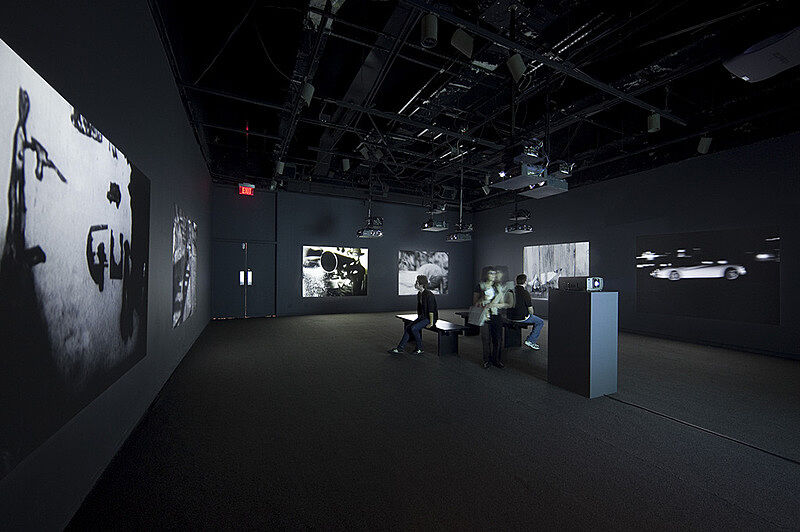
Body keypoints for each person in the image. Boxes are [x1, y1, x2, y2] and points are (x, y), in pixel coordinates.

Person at [473, 267, 513, 369]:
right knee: (486, 340)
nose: (493, 275)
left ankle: (497, 360)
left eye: (494, 274)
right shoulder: (480, 286)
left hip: (496, 316)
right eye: (491, 273)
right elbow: (475, 303)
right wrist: (482, 300)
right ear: (486, 274)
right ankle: (487, 360)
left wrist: (495, 305)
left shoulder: (498, 287)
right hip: (485, 317)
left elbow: (505, 304)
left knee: (498, 339)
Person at [389, 275, 438, 355]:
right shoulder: (419, 294)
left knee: (414, 328)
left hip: (430, 318)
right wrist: (419, 318)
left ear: (421, 285)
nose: (415, 284)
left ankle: (419, 348)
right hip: (423, 317)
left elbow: (431, 310)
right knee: (409, 327)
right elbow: (420, 308)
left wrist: (431, 323)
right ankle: (400, 348)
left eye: (417, 282)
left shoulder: (429, 294)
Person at [507, 274, 544, 350]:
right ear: (525, 282)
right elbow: (530, 309)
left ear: (516, 281)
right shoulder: (525, 293)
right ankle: (531, 340)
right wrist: (531, 315)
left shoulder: (510, 291)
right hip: (521, 318)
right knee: (540, 321)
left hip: (509, 317)